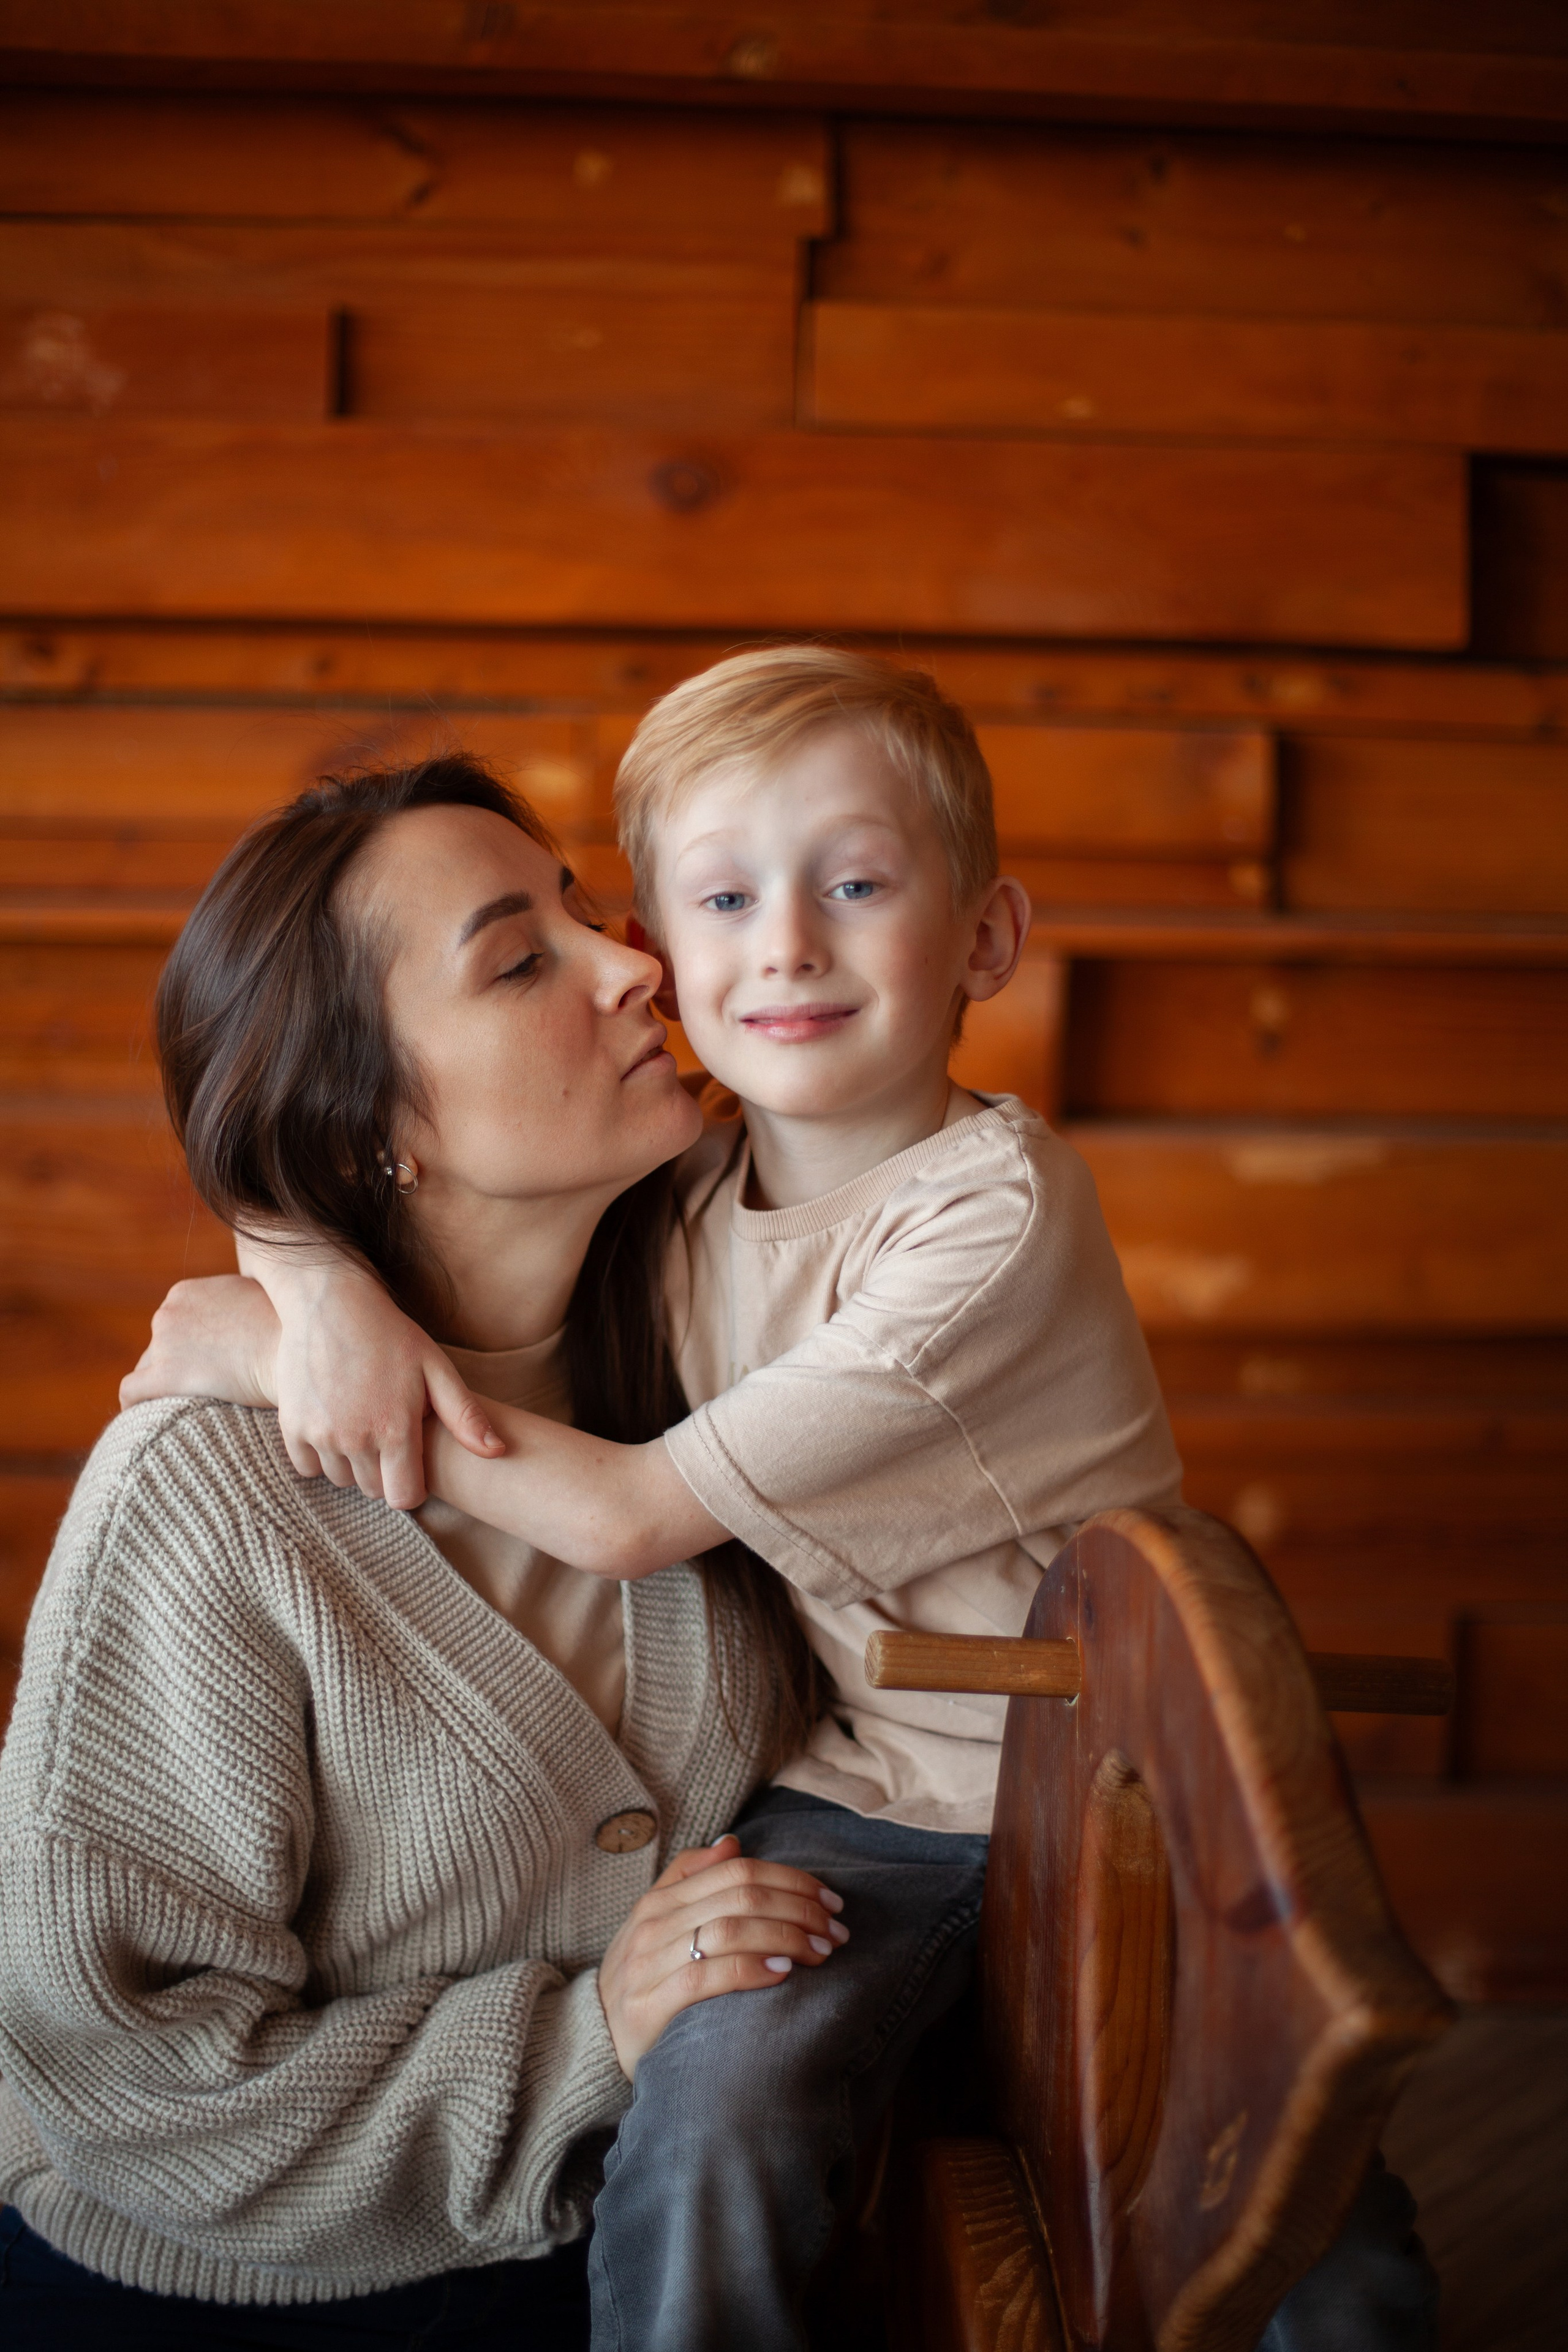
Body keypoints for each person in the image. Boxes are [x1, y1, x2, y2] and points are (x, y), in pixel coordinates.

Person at [134, 652, 1438, 2351]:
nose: (792, 945)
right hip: (861, 1799)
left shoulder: (991, 1219)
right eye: (730, 896)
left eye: (858, 884)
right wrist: (303, 1285)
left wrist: (293, 1342)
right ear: (668, 950)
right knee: (722, 2097)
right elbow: (344, 1116)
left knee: (1288, 2196)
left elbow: (624, 1519)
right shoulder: (685, 1176)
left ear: (982, 941)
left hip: (1115, 1794)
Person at [0, 757, 846, 2350]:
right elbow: (134, 2083)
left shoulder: (722, 1357)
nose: (641, 962)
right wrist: (594, 2028)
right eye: (522, 959)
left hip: (633, 2226)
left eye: (590, 912)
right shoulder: (208, 1502)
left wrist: (288, 1273)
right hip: (226, 2289)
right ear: (370, 1129)